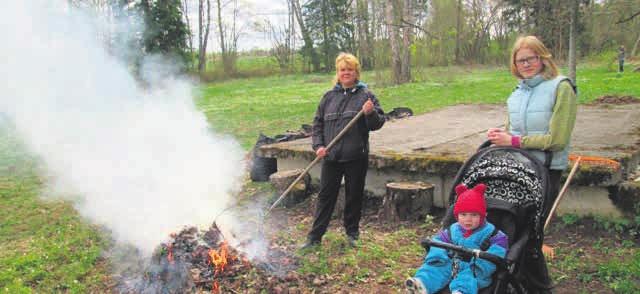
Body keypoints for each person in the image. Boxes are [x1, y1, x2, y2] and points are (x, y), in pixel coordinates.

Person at [486, 35, 577, 293]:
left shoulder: (561, 87)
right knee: (514, 229)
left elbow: (558, 140)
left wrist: (514, 141)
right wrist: (499, 136)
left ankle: (539, 287)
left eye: (531, 58)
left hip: (546, 169)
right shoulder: (517, 92)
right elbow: (511, 129)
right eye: (520, 60)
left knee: (531, 235)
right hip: (519, 167)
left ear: (543, 57)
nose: (526, 64)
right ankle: (518, 282)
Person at [301, 53, 385, 249]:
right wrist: (319, 146)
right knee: (325, 196)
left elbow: (377, 124)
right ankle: (314, 238)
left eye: (350, 69)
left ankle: (352, 233)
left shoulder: (366, 96)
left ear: (356, 73)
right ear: (337, 73)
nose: (346, 73)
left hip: (356, 155)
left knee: (353, 195)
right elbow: (318, 124)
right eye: (342, 70)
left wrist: (370, 112)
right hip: (331, 156)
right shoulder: (328, 97)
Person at [405, 183, 509, 294]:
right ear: (457, 216)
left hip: (474, 269)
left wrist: (481, 265)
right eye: (463, 214)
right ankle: (421, 284)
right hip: (451, 263)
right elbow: (438, 242)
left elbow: (498, 250)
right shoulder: (453, 230)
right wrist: (438, 258)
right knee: (435, 269)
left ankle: (460, 292)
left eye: (474, 215)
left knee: (467, 279)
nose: (468, 219)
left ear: (483, 215)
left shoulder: (491, 233)